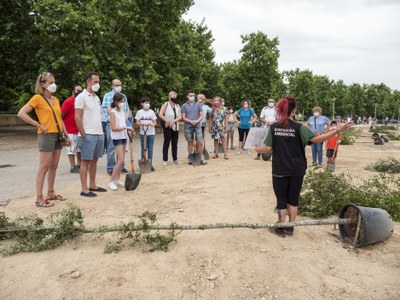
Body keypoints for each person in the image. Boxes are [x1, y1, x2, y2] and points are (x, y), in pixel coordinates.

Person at [256, 96, 352, 237]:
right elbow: (317, 139)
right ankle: (290, 227)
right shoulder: (300, 127)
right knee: (293, 200)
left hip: (279, 169)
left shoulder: (274, 128)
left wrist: (258, 150)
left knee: (281, 200)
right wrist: (338, 130)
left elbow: (268, 148)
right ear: (293, 111)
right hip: (297, 169)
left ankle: (281, 227)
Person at [18, 71, 70, 207]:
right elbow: (21, 113)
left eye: (54, 82)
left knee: (54, 166)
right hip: (46, 135)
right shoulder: (37, 98)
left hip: (58, 135)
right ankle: (39, 198)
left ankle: (51, 192)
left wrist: (66, 134)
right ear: (43, 84)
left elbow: (59, 118)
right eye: (50, 82)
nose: (54, 85)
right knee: (44, 167)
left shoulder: (56, 99)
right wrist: (37, 124)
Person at [75, 72, 107, 197]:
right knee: (85, 161)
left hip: (99, 133)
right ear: (88, 82)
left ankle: (92, 184)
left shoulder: (96, 97)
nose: (97, 84)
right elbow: (77, 117)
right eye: (95, 82)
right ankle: (84, 189)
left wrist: (101, 133)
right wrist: (83, 134)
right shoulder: (81, 97)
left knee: (94, 161)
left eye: (98, 82)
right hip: (88, 134)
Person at [102, 79, 130, 175]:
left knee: (122, 146)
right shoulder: (108, 95)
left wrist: (124, 119)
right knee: (111, 147)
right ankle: (110, 168)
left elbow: (127, 109)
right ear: (112, 86)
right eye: (117, 85)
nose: (119, 86)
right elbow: (107, 108)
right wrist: (116, 118)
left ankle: (121, 167)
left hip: (123, 124)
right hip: (111, 123)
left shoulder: (124, 96)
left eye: (120, 85)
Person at [108, 93, 135, 190]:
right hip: (117, 137)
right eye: (121, 101)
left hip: (123, 137)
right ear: (116, 101)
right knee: (120, 160)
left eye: (124, 101)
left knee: (121, 160)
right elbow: (114, 127)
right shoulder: (112, 113)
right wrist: (126, 127)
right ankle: (111, 181)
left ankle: (118, 179)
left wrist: (129, 130)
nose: (123, 103)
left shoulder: (122, 112)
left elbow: (123, 124)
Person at [61, 84, 83, 173]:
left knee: (79, 149)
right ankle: (72, 166)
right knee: (71, 149)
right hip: (70, 130)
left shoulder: (80, 101)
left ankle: (79, 164)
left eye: (81, 90)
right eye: (78, 90)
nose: (79, 92)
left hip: (79, 129)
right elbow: (61, 115)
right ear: (73, 91)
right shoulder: (69, 101)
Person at [181, 90, 207, 165]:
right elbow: (183, 117)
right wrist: (190, 121)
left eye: (193, 95)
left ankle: (200, 157)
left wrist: (197, 121)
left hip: (198, 126)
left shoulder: (198, 105)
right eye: (190, 95)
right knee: (190, 142)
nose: (192, 97)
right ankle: (190, 158)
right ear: (187, 96)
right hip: (188, 126)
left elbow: (201, 115)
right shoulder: (184, 106)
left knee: (200, 142)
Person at [159, 91, 182, 166]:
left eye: (175, 96)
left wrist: (174, 121)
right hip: (167, 126)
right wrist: (167, 121)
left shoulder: (177, 106)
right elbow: (160, 114)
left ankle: (175, 159)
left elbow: (180, 117)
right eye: (173, 96)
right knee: (166, 143)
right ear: (169, 97)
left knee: (175, 143)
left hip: (175, 126)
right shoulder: (166, 104)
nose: (174, 97)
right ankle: (165, 159)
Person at [135, 97, 157, 171]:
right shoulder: (139, 112)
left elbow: (155, 121)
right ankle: (143, 162)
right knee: (144, 148)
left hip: (151, 133)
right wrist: (143, 123)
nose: (148, 104)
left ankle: (150, 164)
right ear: (142, 103)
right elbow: (137, 122)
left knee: (150, 148)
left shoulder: (152, 112)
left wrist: (153, 124)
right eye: (146, 103)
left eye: (148, 103)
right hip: (143, 133)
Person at [198, 94, 212, 159]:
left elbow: (212, 112)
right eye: (201, 98)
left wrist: (213, 104)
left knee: (202, 139)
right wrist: (199, 102)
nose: (202, 99)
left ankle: (202, 151)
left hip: (202, 125)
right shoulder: (195, 105)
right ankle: (195, 152)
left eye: (203, 98)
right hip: (195, 125)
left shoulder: (206, 106)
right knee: (195, 140)